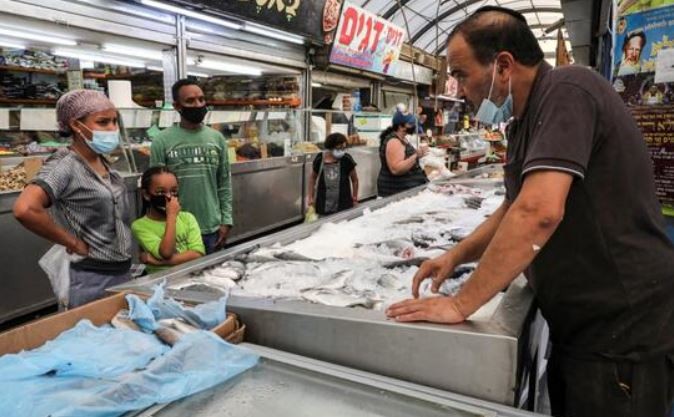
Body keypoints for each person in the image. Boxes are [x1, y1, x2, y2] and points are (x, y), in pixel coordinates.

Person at [386, 7, 674, 417]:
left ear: (503, 65)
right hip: (581, 326)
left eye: (463, 74)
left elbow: (539, 211)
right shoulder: (523, 122)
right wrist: (456, 256)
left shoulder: (569, 89)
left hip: (621, 330)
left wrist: (460, 304)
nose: (459, 87)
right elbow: (512, 207)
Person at [13, 90, 132, 308]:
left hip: (120, 270)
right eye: (103, 122)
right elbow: (25, 209)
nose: (112, 129)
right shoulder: (64, 164)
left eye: (115, 121)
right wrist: (72, 242)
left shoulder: (101, 160)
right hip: (89, 276)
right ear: (76, 125)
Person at [150, 79, 232, 254]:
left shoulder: (217, 139)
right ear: (177, 106)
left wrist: (226, 220)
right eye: (190, 101)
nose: (198, 104)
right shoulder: (162, 141)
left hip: (212, 228)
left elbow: (224, 184)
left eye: (201, 99)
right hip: (178, 230)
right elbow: (155, 190)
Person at [132, 167, 205, 274]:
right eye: (161, 192)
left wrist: (159, 262)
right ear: (147, 195)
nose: (169, 196)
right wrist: (171, 216)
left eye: (174, 191)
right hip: (161, 281)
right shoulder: (140, 226)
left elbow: (197, 254)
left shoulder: (188, 218)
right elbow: (166, 252)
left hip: (190, 275)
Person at [377, 111, 428, 197]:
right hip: (395, 192)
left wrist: (418, 154)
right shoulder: (394, 141)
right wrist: (416, 156)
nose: (413, 126)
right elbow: (396, 169)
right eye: (410, 124)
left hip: (407, 190)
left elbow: (406, 157)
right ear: (401, 126)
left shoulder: (403, 139)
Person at [308, 133, 359, 215]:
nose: (341, 151)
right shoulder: (320, 159)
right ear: (330, 147)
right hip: (322, 204)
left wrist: (355, 197)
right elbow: (312, 178)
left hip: (343, 204)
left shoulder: (346, 159)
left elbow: (355, 180)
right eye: (338, 148)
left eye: (343, 148)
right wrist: (310, 197)